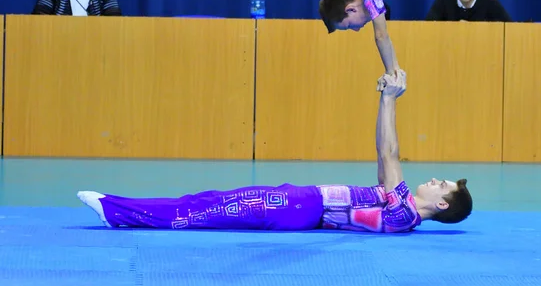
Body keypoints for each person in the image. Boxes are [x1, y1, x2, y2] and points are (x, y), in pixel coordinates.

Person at [77, 71, 472, 233]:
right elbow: (381, 150)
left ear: (440, 205)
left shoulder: (404, 215)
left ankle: (120, 213)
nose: (436, 180)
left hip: (302, 207)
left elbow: (391, 153)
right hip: (302, 202)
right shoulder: (395, 201)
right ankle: (122, 210)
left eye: (443, 186)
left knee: (206, 213)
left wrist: (392, 98)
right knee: (208, 201)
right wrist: (384, 102)